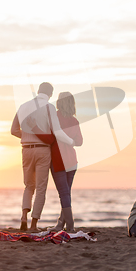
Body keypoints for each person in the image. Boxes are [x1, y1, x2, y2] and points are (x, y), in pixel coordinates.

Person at [11, 82, 74, 232]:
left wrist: (27, 135)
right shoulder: (49, 107)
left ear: (38, 91)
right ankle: (33, 225)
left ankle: (23, 218)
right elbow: (56, 131)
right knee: (40, 188)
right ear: (50, 94)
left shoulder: (22, 106)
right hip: (43, 150)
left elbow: (13, 130)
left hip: (26, 149)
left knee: (28, 186)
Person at [48, 92, 83, 232]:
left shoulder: (54, 117)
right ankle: (60, 224)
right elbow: (79, 142)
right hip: (72, 160)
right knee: (66, 193)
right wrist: (71, 141)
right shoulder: (74, 121)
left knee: (64, 193)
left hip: (58, 159)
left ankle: (70, 225)